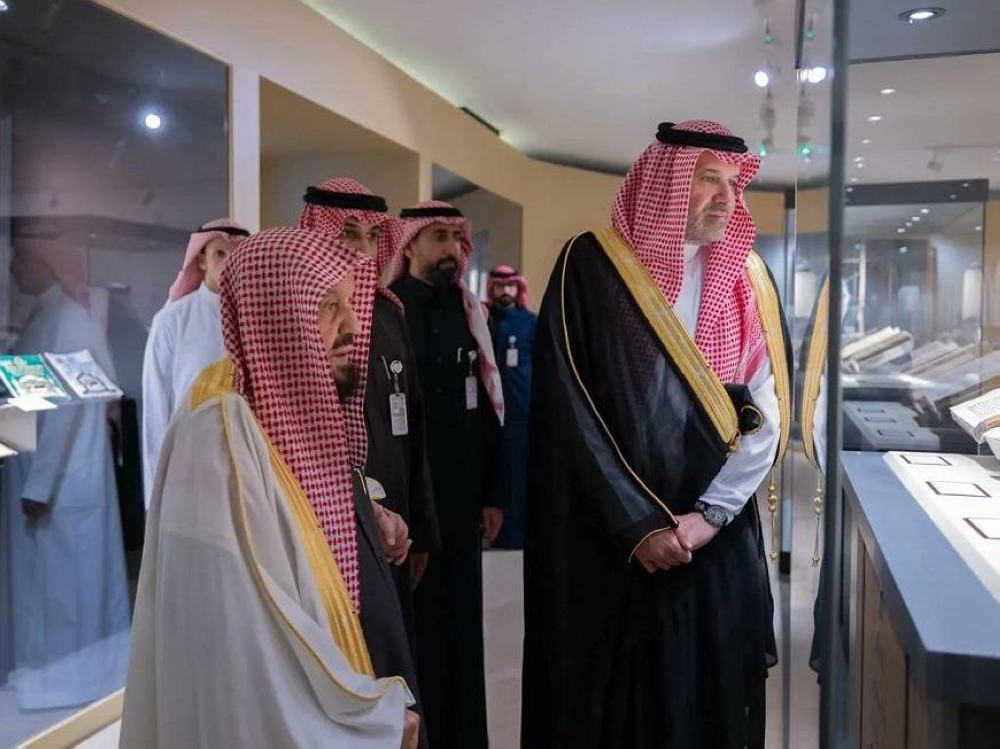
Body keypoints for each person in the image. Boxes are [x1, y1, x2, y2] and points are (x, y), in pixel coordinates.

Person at [521, 121, 791, 749]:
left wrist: (711, 515)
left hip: (713, 540)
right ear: (666, 184)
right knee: (620, 707)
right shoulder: (593, 266)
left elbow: (768, 413)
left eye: (734, 183)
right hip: (612, 541)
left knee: (710, 699)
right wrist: (638, 524)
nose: (725, 197)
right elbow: (569, 408)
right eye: (707, 179)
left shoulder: (748, 279)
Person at [120, 227, 420, 748]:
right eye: (329, 306)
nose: (353, 326)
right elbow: (246, 634)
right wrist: (365, 719)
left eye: (349, 304)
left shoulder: (278, 403)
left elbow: (296, 508)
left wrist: (364, 517)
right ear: (277, 316)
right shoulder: (217, 434)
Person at [299, 178, 438, 745]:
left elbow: (414, 426)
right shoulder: (306, 316)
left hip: (392, 515)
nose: (359, 247)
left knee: (393, 645)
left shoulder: (387, 312)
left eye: (371, 236)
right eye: (347, 233)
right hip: (333, 515)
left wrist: (421, 523)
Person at [384, 201, 505, 749]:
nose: (452, 250)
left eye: (458, 239)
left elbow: (491, 407)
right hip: (408, 502)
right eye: (439, 237)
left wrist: (494, 492)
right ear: (409, 243)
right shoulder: (389, 310)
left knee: (463, 625)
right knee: (418, 628)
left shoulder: (469, 312)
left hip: (460, 496)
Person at [1, 230, 130, 709]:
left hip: (63, 489)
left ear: (45, 264)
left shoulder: (71, 322)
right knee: (46, 596)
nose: (13, 270)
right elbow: (22, 402)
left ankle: (76, 692)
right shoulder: (45, 317)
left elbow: (65, 412)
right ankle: (43, 686)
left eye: (20, 260)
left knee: (69, 597)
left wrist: (38, 484)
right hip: (41, 482)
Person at [140, 219, 248, 506]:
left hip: (247, 464)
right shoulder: (172, 321)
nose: (229, 262)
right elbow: (155, 411)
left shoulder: (258, 318)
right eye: (219, 253)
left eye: (237, 254)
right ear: (201, 260)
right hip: (189, 467)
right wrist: (156, 495)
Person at [485, 265, 537, 550]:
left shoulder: (530, 323)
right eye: (500, 285)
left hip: (521, 413)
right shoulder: (482, 319)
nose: (505, 291)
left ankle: (517, 534)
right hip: (488, 414)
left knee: (519, 472)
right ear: (491, 287)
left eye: (510, 286)